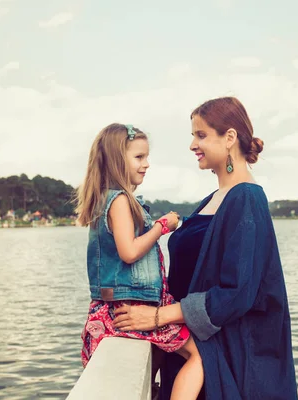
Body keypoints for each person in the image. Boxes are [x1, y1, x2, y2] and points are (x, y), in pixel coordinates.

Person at [112, 98, 298, 399]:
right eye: (192, 136)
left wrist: (157, 317)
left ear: (229, 138)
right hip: (193, 345)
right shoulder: (215, 197)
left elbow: (237, 293)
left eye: (200, 135)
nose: (192, 145)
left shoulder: (247, 198)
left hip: (227, 358)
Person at [75, 123, 204, 400]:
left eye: (146, 157)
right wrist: (162, 226)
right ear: (117, 161)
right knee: (199, 356)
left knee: (156, 356)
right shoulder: (119, 200)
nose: (146, 164)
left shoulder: (108, 199)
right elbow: (129, 252)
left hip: (119, 305)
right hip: (131, 306)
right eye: (139, 157)